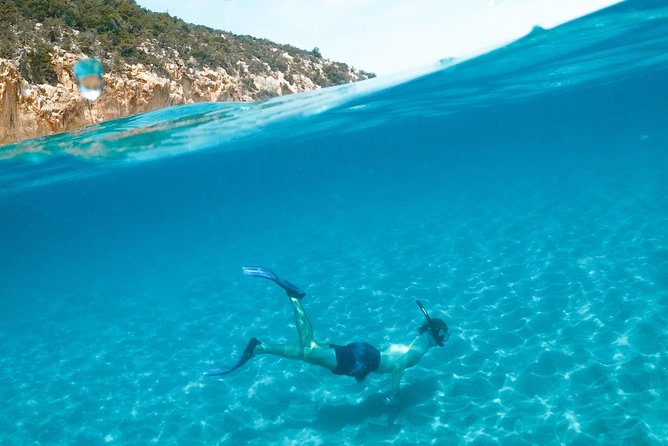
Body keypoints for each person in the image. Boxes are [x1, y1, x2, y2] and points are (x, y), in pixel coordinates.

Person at [205, 267, 449, 400]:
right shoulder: (419, 351)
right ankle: (294, 298)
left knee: (306, 352)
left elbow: (390, 358)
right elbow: (397, 366)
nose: (443, 339)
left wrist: (362, 374)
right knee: (309, 349)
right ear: (435, 334)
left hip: (365, 355)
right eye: (443, 335)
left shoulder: (419, 340)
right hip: (365, 359)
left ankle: (261, 348)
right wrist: (394, 394)